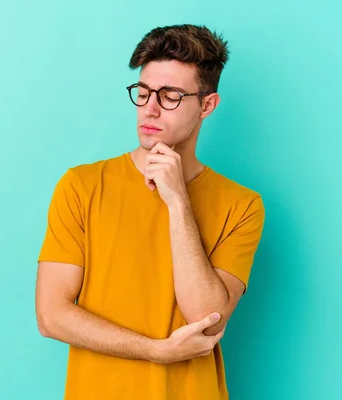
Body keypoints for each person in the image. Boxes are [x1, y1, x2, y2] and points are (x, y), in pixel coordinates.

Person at [34, 24, 266, 400]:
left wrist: (177, 201)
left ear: (207, 105)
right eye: (142, 93)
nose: (150, 109)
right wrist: (157, 352)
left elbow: (207, 319)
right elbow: (51, 314)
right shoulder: (82, 186)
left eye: (170, 96)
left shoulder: (242, 205)